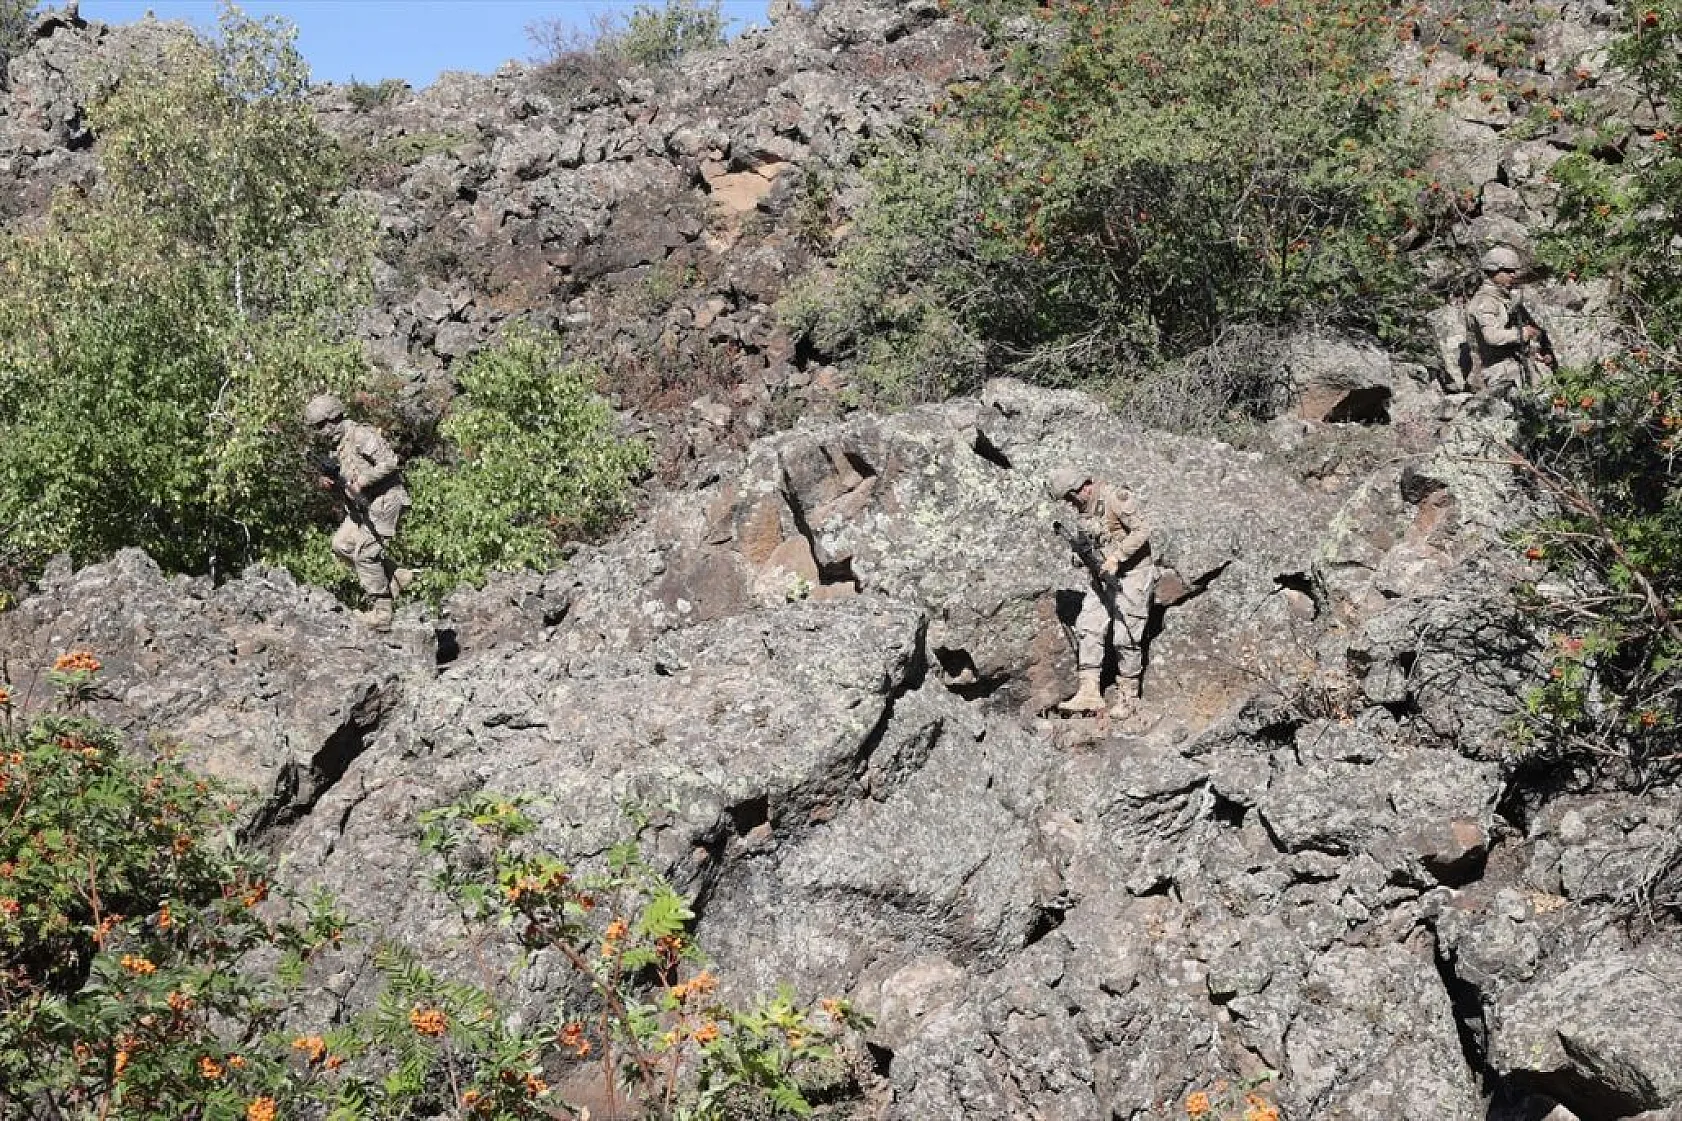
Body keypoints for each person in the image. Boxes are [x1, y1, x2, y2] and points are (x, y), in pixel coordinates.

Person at [1048, 467, 1157, 721]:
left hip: (1132, 576)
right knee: (1088, 626)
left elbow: (1143, 531)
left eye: (1069, 498)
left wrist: (1118, 557)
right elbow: (1091, 542)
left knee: (1126, 636)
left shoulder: (1114, 498)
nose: (1069, 504)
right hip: (1102, 578)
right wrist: (1080, 556)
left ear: (1081, 487)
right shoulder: (1083, 511)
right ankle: (1088, 691)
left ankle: (1128, 697)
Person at [304, 393, 413, 631]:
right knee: (341, 545)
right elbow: (345, 486)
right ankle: (396, 575)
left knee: (365, 553)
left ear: (335, 418)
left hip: (386, 500)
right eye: (317, 427)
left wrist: (362, 481)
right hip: (362, 506)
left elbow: (390, 462)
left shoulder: (360, 435)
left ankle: (382, 613)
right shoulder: (337, 449)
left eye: (323, 425)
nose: (321, 431)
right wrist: (329, 483)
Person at [1464, 244, 1551, 394]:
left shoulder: (1501, 298)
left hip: (1511, 363)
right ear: (1494, 272)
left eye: (1514, 271)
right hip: (1496, 371)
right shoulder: (1486, 301)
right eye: (1509, 271)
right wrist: (1522, 333)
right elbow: (1491, 337)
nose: (1513, 275)